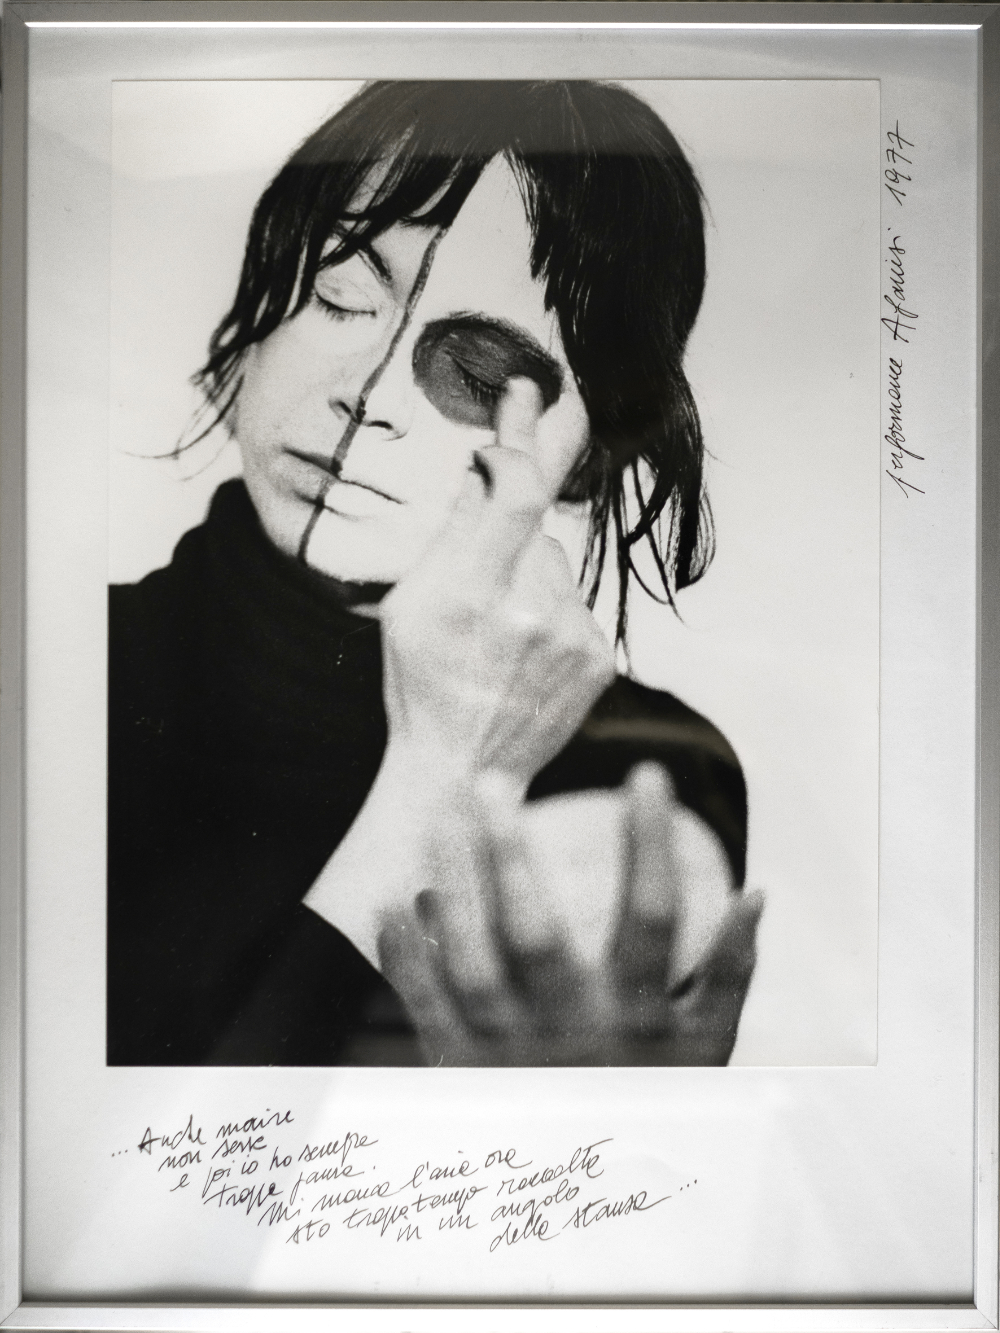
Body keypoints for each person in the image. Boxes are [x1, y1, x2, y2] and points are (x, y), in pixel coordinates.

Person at [107, 79, 762, 1068]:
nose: (367, 395)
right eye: (338, 294)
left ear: (590, 456)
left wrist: (451, 770)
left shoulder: (643, 788)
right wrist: (437, 766)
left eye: (476, 377)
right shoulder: (64, 677)